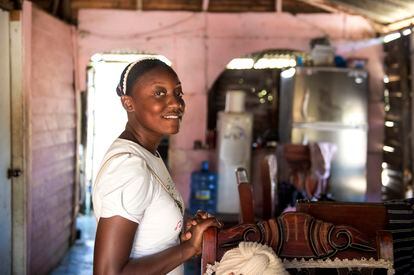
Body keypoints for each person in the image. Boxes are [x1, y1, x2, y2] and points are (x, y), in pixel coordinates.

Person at [92, 58, 222, 275]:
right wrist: (190, 248)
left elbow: (149, 228)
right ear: (128, 103)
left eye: (178, 93)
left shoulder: (148, 154)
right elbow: (108, 272)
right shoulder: (128, 168)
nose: (176, 103)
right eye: (159, 93)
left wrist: (182, 232)